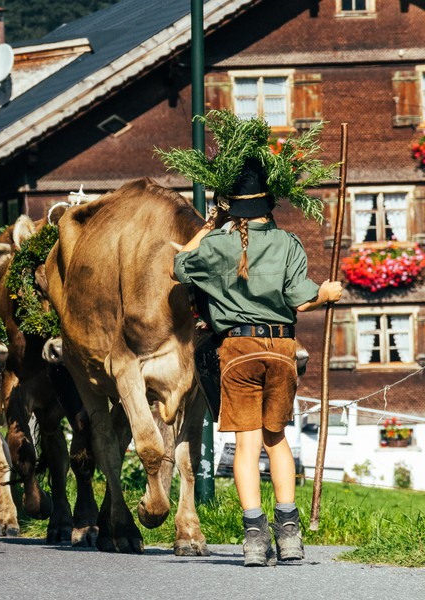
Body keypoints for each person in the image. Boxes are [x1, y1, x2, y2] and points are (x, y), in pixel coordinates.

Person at [172, 157, 342, 566]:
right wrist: (328, 292)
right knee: (276, 439)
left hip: (236, 351)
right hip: (280, 349)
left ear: (232, 206)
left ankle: (252, 539)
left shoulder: (215, 246)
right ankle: (289, 536)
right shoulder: (288, 243)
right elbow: (302, 298)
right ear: (269, 204)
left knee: (245, 444)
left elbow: (179, 267)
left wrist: (211, 225)